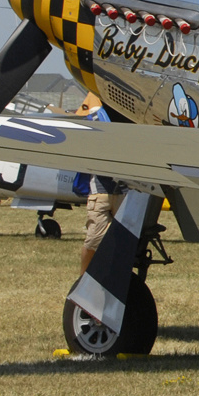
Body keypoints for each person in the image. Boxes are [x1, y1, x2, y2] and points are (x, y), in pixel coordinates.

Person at [73, 94, 124, 275]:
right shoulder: (95, 114)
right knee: (94, 239)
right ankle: (83, 278)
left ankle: (114, 277)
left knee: (123, 241)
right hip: (100, 192)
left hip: (123, 190)